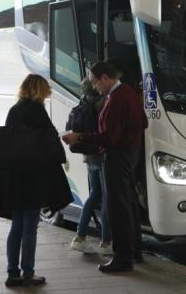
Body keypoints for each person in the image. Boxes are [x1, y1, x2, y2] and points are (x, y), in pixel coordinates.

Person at [62, 61, 148, 273]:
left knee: (117, 207)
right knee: (129, 203)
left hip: (118, 156)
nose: (94, 87)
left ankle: (122, 258)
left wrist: (78, 136)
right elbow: (143, 122)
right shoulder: (130, 93)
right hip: (131, 153)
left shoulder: (117, 99)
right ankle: (135, 251)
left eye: (94, 82)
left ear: (105, 78)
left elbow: (109, 138)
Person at [0, 74, 72, 287]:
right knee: (30, 227)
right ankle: (28, 273)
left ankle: (12, 273)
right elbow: (50, 138)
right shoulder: (36, 110)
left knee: (16, 225)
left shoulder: (15, 109)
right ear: (40, 90)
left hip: (12, 174)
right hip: (31, 176)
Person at [68, 77, 112, 255]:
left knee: (94, 194)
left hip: (88, 156)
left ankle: (80, 236)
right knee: (106, 198)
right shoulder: (104, 103)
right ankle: (106, 241)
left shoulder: (82, 102)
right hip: (101, 155)